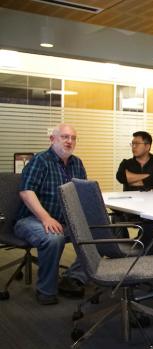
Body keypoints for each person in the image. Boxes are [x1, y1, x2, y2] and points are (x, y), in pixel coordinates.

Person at [14, 124, 88, 305]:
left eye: (73, 138)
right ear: (52, 139)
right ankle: (46, 291)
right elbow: (26, 192)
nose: (69, 141)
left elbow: (82, 193)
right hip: (31, 219)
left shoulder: (77, 163)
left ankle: (73, 277)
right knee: (54, 238)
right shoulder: (41, 160)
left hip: (65, 221)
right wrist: (46, 218)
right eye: (64, 137)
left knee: (99, 233)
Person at [115, 131, 153, 247]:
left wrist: (132, 178)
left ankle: (140, 245)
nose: (133, 147)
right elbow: (121, 177)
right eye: (132, 144)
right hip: (129, 206)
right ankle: (123, 246)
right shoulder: (126, 163)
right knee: (115, 215)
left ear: (147, 146)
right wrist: (147, 176)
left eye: (136, 144)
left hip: (152, 206)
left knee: (151, 217)